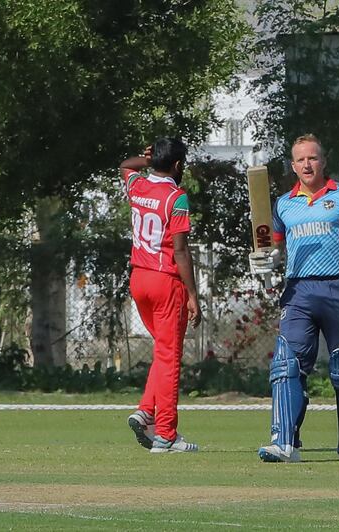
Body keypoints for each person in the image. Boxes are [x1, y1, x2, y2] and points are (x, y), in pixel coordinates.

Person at [251, 134, 339, 463]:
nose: (307, 164)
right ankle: (285, 442)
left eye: (312, 158)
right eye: (300, 160)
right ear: (293, 166)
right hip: (298, 291)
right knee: (287, 365)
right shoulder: (284, 204)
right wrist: (264, 259)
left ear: (323, 161)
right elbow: (272, 244)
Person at [121, 137, 202, 453]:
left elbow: (125, 166)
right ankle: (166, 435)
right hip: (165, 281)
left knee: (163, 351)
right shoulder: (176, 198)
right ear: (178, 165)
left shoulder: (137, 186)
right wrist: (192, 294)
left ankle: (145, 411)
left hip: (139, 278)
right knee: (170, 357)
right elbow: (180, 251)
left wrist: (147, 160)